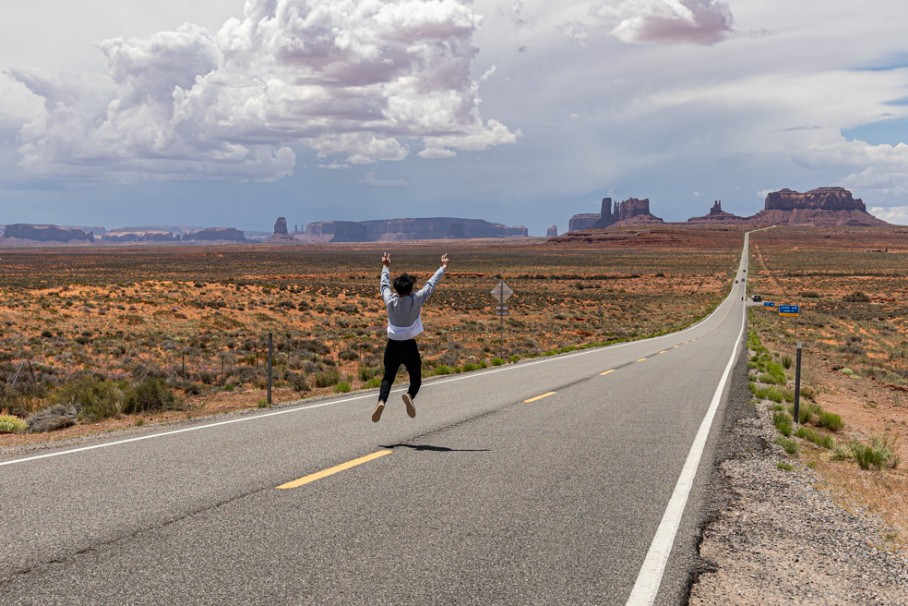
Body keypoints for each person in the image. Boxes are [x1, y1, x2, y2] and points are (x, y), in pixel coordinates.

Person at [373, 252, 448, 422]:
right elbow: (431, 284)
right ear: (410, 288)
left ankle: (381, 401)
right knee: (416, 379)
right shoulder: (417, 299)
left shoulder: (390, 300)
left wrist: (386, 265)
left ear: (397, 288)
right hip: (409, 346)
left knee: (388, 377)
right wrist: (443, 267)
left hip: (392, 345)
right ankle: (409, 395)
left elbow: (383, 285)